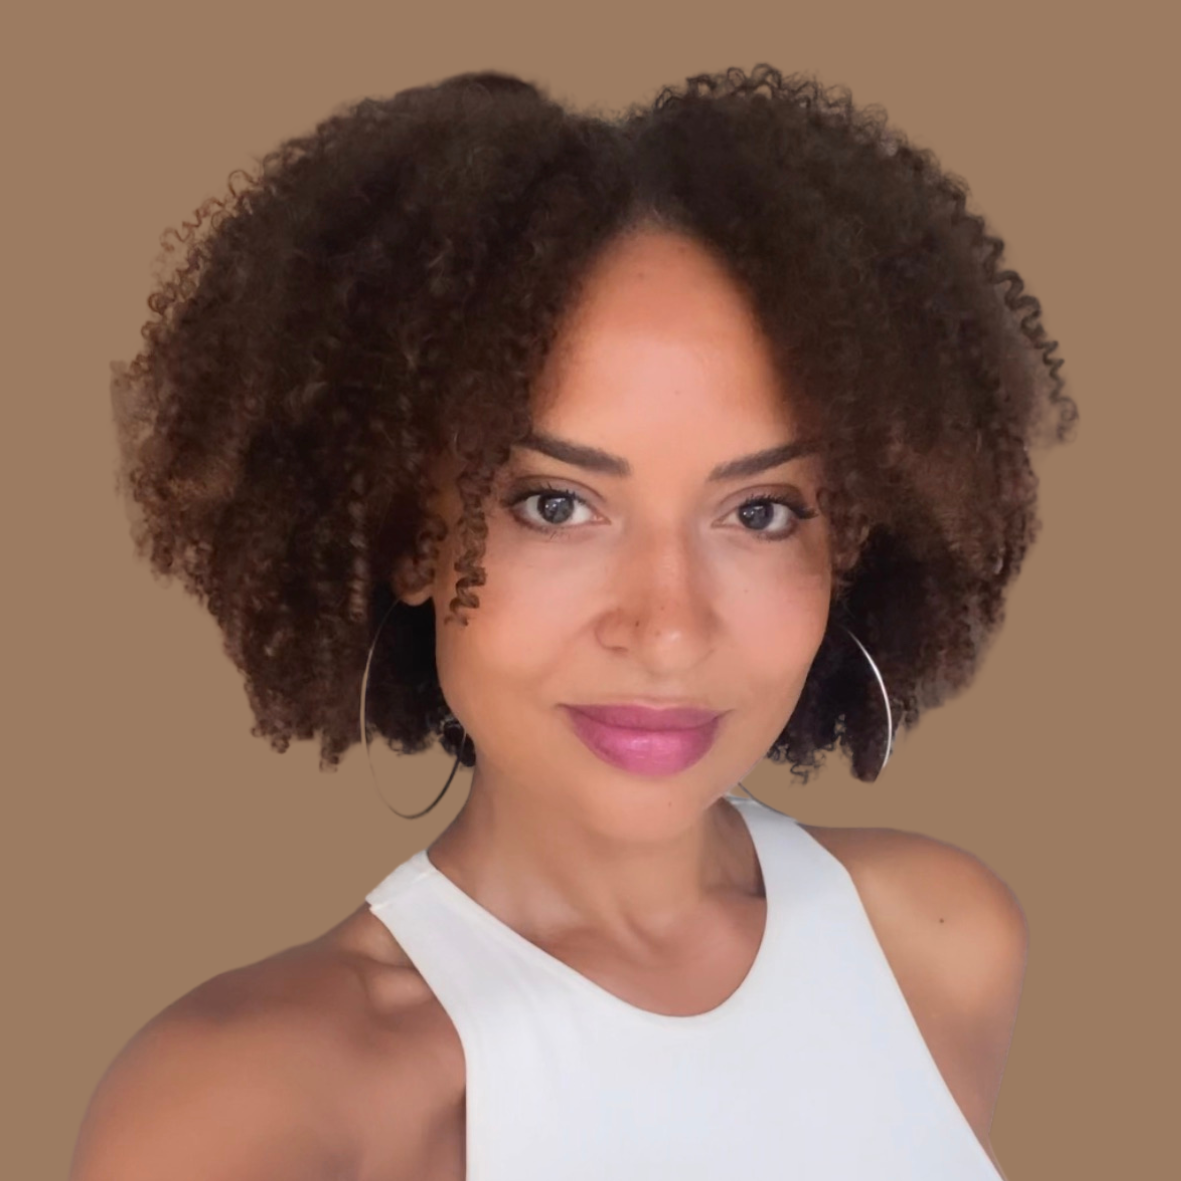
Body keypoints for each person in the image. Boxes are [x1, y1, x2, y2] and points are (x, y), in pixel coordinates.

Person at [72, 64, 1076, 1180]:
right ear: (408, 533)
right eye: (556, 504)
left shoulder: (937, 939)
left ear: (849, 539)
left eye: (759, 511)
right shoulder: (258, 1104)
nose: (667, 629)